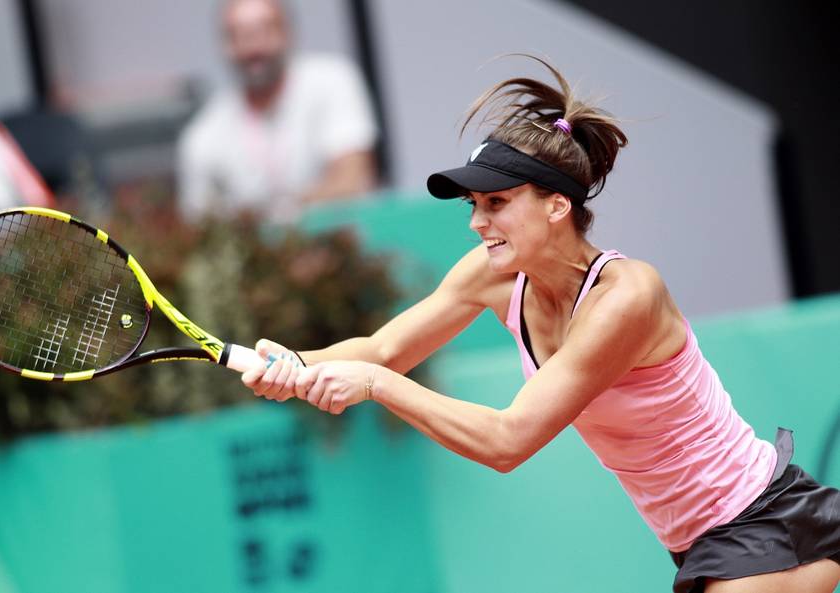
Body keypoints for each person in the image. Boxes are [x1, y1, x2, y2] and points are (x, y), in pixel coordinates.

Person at [239, 58, 840, 592]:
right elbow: (382, 348)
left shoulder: (627, 296)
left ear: (558, 205)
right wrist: (292, 365)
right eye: (474, 206)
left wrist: (373, 386)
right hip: (706, 545)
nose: (478, 222)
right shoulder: (493, 273)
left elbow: (507, 442)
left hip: (766, 524)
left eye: (497, 202)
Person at [177, 0, 378, 223]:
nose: (253, 46)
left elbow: (353, 180)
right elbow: (200, 225)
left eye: (264, 29)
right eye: (238, 35)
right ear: (224, 45)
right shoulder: (203, 135)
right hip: (256, 257)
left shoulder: (333, 81)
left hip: (342, 244)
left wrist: (278, 213)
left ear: (288, 32)